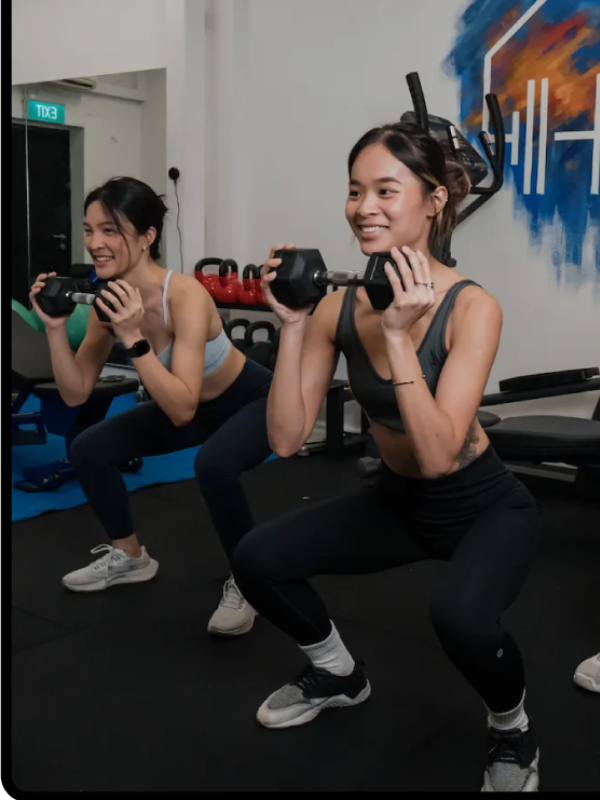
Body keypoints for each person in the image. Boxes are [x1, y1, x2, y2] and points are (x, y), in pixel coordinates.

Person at [231, 124, 543, 792]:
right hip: (399, 503)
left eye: (384, 190)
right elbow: (286, 439)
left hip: (483, 505)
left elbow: (437, 457)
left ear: (433, 201)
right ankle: (339, 672)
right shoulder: (336, 307)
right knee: (258, 559)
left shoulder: (472, 308)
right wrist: (290, 326)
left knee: (460, 617)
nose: (362, 206)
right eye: (354, 190)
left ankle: (512, 728)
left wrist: (399, 339)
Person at [30, 176, 272, 636]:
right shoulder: (109, 302)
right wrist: (56, 328)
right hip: (186, 400)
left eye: (110, 231)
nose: (95, 243)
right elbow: (76, 393)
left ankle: (249, 580)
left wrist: (133, 338)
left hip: (250, 399)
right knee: (87, 446)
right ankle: (130, 556)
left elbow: (181, 411)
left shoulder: (184, 296)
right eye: (89, 230)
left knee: (214, 464)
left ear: (146, 238)